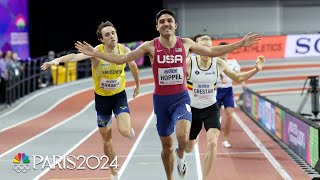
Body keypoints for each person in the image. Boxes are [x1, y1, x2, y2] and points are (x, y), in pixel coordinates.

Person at [74, 9, 261, 180]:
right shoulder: (150, 46)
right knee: (166, 146)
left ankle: (181, 156)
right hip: (161, 101)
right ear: (157, 26)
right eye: (162, 21)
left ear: (175, 25)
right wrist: (96, 54)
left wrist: (241, 44)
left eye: (169, 21)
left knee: (183, 135)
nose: (166, 24)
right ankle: (170, 177)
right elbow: (122, 58)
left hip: (181, 98)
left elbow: (212, 51)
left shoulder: (186, 44)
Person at [41, 21, 140, 180]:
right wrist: (57, 61)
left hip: (119, 95)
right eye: (107, 35)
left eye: (113, 33)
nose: (111, 37)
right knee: (107, 139)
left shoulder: (124, 50)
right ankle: (114, 171)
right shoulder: (95, 52)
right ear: (102, 39)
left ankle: (129, 130)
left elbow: (133, 66)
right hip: (102, 100)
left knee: (125, 131)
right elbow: (75, 56)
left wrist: (137, 85)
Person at [184, 34, 265, 180]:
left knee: (213, 144)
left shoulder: (218, 63)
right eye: (202, 49)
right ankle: (183, 150)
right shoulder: (189, 63)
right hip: (193, 110)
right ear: (195, 49)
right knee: (189, 148)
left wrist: (256, 69)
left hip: (211, 109)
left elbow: (238, 78)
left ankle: (205, 178)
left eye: (209, 48)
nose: (206, 52)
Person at [216, 41, 246, 148]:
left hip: (228, 91)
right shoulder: (214, 61)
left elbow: (238, 74)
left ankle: (225, 139)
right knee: (216, 118)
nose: (224, 52)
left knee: (229, 115)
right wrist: (221, 77)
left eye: (226, 50)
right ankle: (214, 137)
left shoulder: (233, 62)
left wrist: (243, 82)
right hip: (216, 91)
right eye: (222, 50)